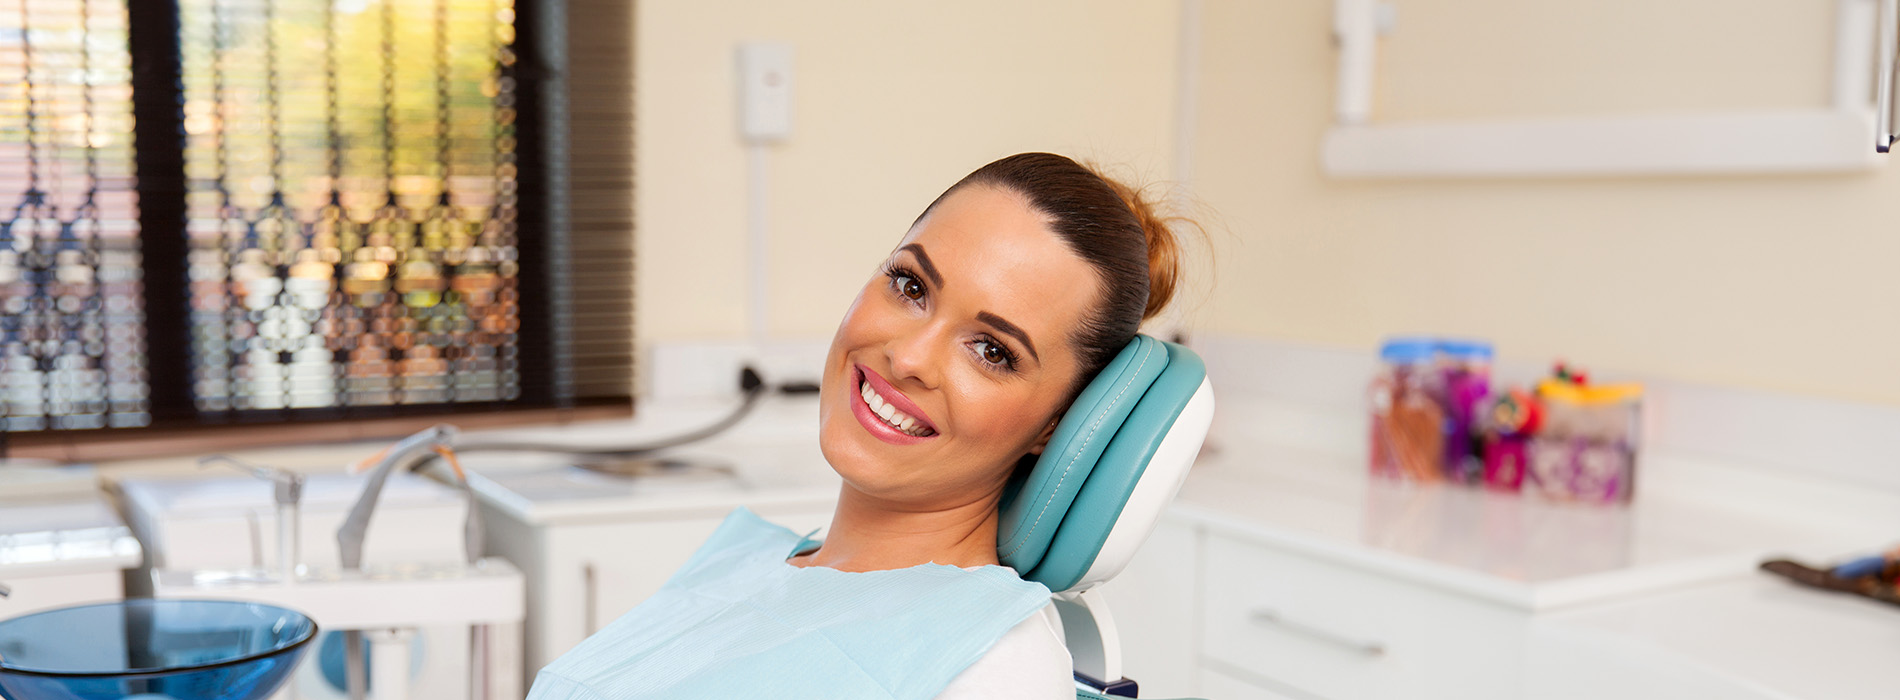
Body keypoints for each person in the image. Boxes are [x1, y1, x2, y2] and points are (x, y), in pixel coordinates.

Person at [528, 152, 1188, 700]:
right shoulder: (751, 563)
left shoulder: (990, 666)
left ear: (1056, 425)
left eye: (992, 350)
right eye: (910, 286)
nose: (908, 357)